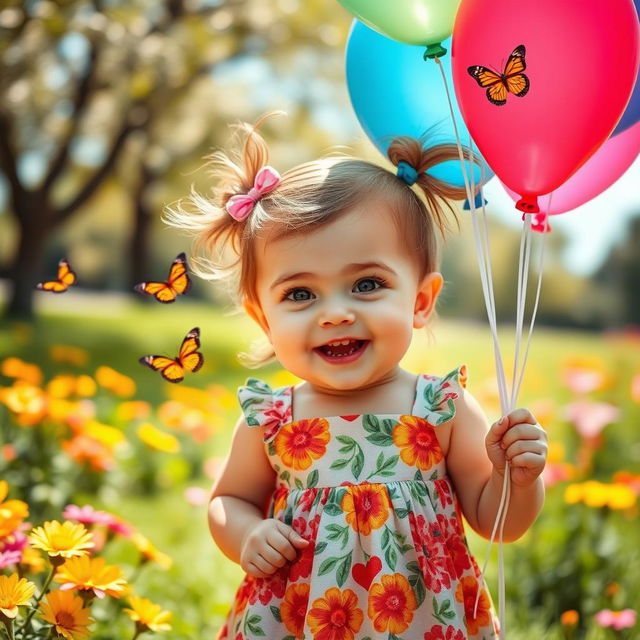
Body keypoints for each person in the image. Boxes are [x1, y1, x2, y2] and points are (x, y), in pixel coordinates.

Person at [169, 115, 548, 640]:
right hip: (298, 618)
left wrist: (515, 479)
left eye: (367, 284)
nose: (335, 313)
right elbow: (227, 500)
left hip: (422, 620)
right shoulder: (274, 420)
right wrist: (248, 533)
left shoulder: (441, 407)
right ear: (263, 317)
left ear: (420, 301)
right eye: (300, 294)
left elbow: (498, 523)